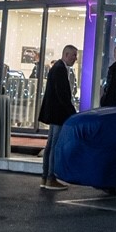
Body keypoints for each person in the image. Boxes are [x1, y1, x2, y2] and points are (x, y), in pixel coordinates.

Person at [38, 44, 79, 190]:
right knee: (54, 146)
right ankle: (51, 178)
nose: (75, 58)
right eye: (74, 55)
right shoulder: (60, 69)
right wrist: (72, 113)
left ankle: (45, 177)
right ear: (66, 54)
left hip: (53, 113)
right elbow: (63, 95)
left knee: (50, 145)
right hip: (58, 114)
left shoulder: (56, 68)